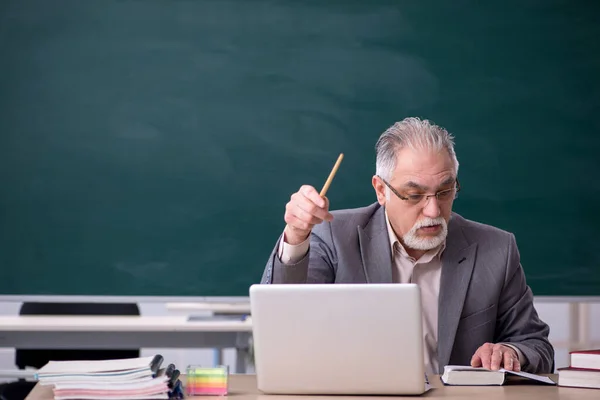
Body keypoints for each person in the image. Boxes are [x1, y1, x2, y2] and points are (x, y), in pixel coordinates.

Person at [260, 117, 554, 376]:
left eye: (445, 191)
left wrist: (511, 352)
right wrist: (297, 236)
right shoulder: (334, 237)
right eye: (414, 195)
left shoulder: (496, 249)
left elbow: (536, 346)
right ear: (381, 190)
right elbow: (283, 325)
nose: (433, 211)